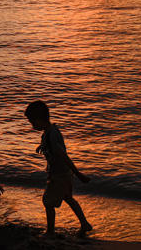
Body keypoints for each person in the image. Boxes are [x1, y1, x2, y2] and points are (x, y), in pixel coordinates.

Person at [24, 100, 93, 236]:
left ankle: (50, 231)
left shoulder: (51, 134)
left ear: (39, 120)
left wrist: (78, 173)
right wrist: (42, 146)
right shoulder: (49, 132)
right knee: (68, 198)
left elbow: (62, 155)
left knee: (48, 202)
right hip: (64, 173)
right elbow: (51, 146)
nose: (32, 126)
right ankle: (84, 224)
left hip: (59, 175)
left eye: (32, 123)